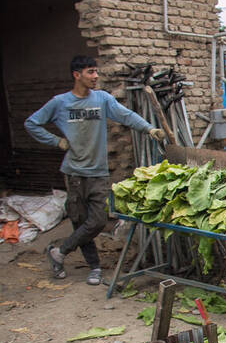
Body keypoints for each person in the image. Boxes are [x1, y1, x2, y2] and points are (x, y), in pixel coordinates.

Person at [25, 55, 165, 285]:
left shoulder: (102, 99)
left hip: (98, 172)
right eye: (90, 72)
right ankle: (94, 267)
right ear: (76, 75)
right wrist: (56, 141)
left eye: (96, 72)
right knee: (80, 222)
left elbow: (126, 115)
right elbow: (32, 123)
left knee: (98, 221)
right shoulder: (60, 102)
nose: (96, 76)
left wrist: (149, 129)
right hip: (73, 172)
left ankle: (59, 252)